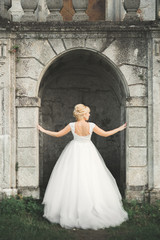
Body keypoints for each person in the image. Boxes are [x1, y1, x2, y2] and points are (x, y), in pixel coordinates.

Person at [37, 104, 128, 230]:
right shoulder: (91, 125)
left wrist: (43, 130)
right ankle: (90, 208)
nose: (89, 115)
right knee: (91, 177)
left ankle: (71, 210)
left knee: (72, 178)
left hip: (74, 150)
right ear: (83, 114)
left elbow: (58, 135)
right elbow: (106, 134)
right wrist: (120, 128)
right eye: (88, 113)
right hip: (88, 151)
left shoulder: (72, 125)